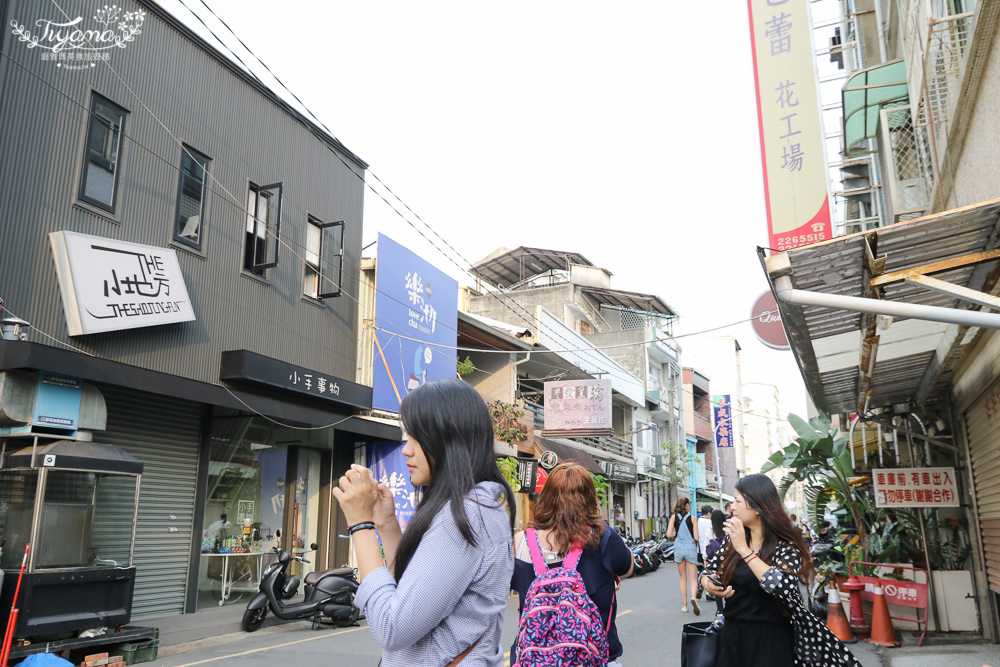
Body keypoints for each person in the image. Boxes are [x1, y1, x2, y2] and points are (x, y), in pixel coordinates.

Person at [333, 378, 516, 667]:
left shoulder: (464, 517)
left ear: (449, 439)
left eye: (417, 438)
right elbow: (413, 592)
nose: (406, 449)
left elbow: (391, 627)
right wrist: (386, 524)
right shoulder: (480, 507)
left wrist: (360, 524)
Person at [700, 474, 862, 667]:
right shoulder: (732, 539)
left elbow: (783, 587)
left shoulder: (785, 546)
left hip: (772, 640)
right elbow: (709, 571)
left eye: (737, 501)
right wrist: (708, 584)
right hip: (733, 636)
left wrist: (745, 550)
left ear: (757, 507)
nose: (732, 507)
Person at [510, 463, 634, 667]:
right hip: (593, 660)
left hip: (532, 660)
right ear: (589, 498)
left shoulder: (520, 542)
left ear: (546, 498)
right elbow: (628, 567)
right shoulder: (602, 537)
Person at [666, 496, 700, 614]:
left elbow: (669, 534)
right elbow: (696, 537)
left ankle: (684, 606)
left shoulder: (673, 517)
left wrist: (677, 532)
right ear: (686, 506)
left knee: (682, 578)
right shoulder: (693, 518)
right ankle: (693, 598)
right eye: (689, 504)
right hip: (690, 547)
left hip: (679, 547)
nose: (690, 506)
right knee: (693, 579)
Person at [705, 508, 727, 615]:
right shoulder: (728, 529)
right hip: (727, 560)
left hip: (715, 561)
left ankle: (720, 609)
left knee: (717, 583)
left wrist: (705, 559)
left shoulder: (710, 531)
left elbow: (706, 546)